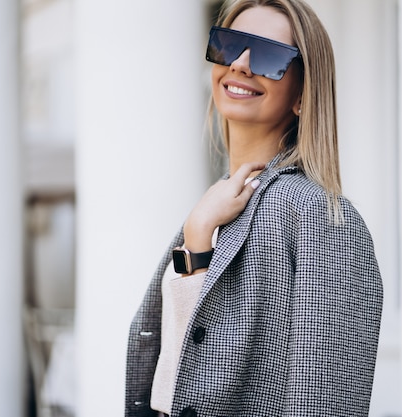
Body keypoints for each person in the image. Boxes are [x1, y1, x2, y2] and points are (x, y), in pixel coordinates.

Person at [125, 1, 383, 416]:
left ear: (302, 94)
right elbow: (179, 370)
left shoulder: (318, 215)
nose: (241, 64)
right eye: (229, 45)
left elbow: (325, 400)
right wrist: (198, 234)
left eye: (268, 55)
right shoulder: (216, 207)